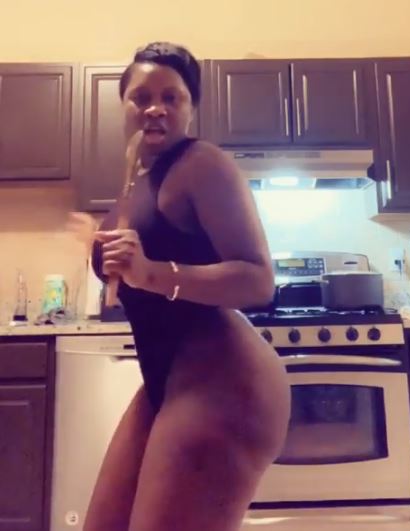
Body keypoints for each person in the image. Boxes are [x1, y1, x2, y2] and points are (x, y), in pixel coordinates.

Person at [69, 42, 290, 531]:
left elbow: (258, 281)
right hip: (166, 378)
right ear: (124, 105)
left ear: (191, 108)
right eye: (142, 97)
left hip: (224, 379)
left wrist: (151, 273)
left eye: (172, 97)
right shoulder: (136, 181)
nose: (156, 108)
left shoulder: (201, 164)